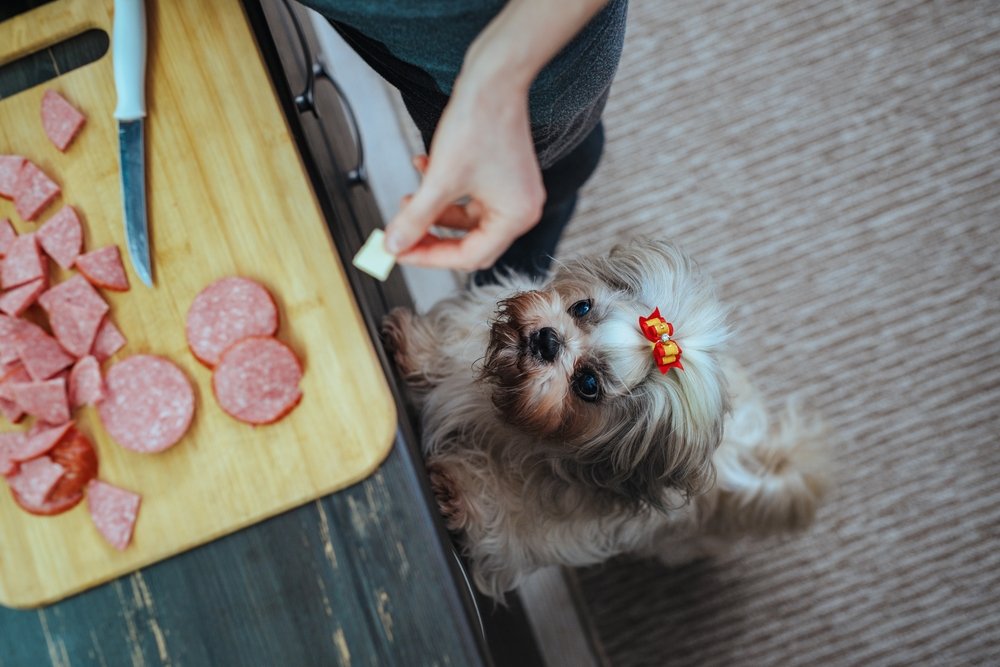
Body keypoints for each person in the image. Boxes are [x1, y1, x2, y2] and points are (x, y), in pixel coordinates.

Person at [299, 0, 628, 284]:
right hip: (389, 29)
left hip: (528, 48)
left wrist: (498, 81)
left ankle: (541, 218)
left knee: (554, 167)